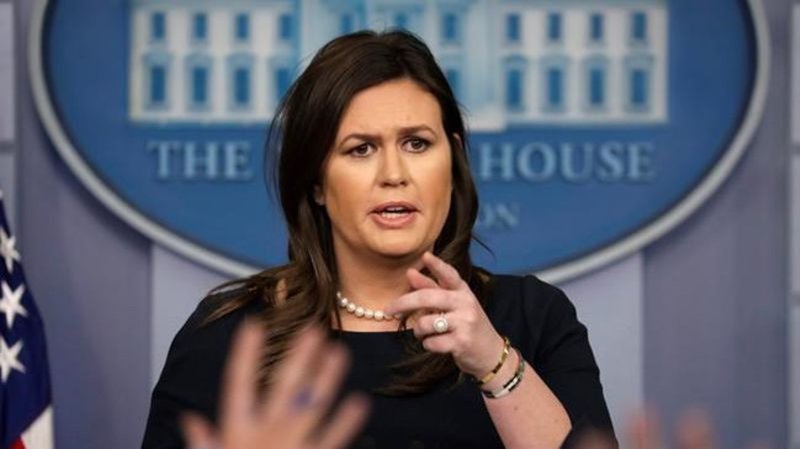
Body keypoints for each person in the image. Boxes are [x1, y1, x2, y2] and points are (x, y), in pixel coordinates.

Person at [141, 29, 615, 449]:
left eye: (416, 144)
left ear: (452, 162)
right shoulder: (230, 334)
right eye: (361, 149)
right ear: (316, 182)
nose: (393, 173)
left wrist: (494, 363)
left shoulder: (534, 319)